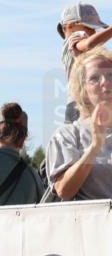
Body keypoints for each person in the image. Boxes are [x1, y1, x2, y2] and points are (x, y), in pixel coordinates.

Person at [46, 48, 112, 200]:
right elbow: (64, 190)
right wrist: (95, 147)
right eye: (95, 78)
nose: (106, 82)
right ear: (83, 89)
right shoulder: (67, 135)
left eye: (110, 75)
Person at [57, 2, 111, 123]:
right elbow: (88, 44)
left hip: (82, 103)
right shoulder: (73, 38)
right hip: (80, 104)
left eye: (94, 28)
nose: (94, 32)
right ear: (70, 27)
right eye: (89, 27)